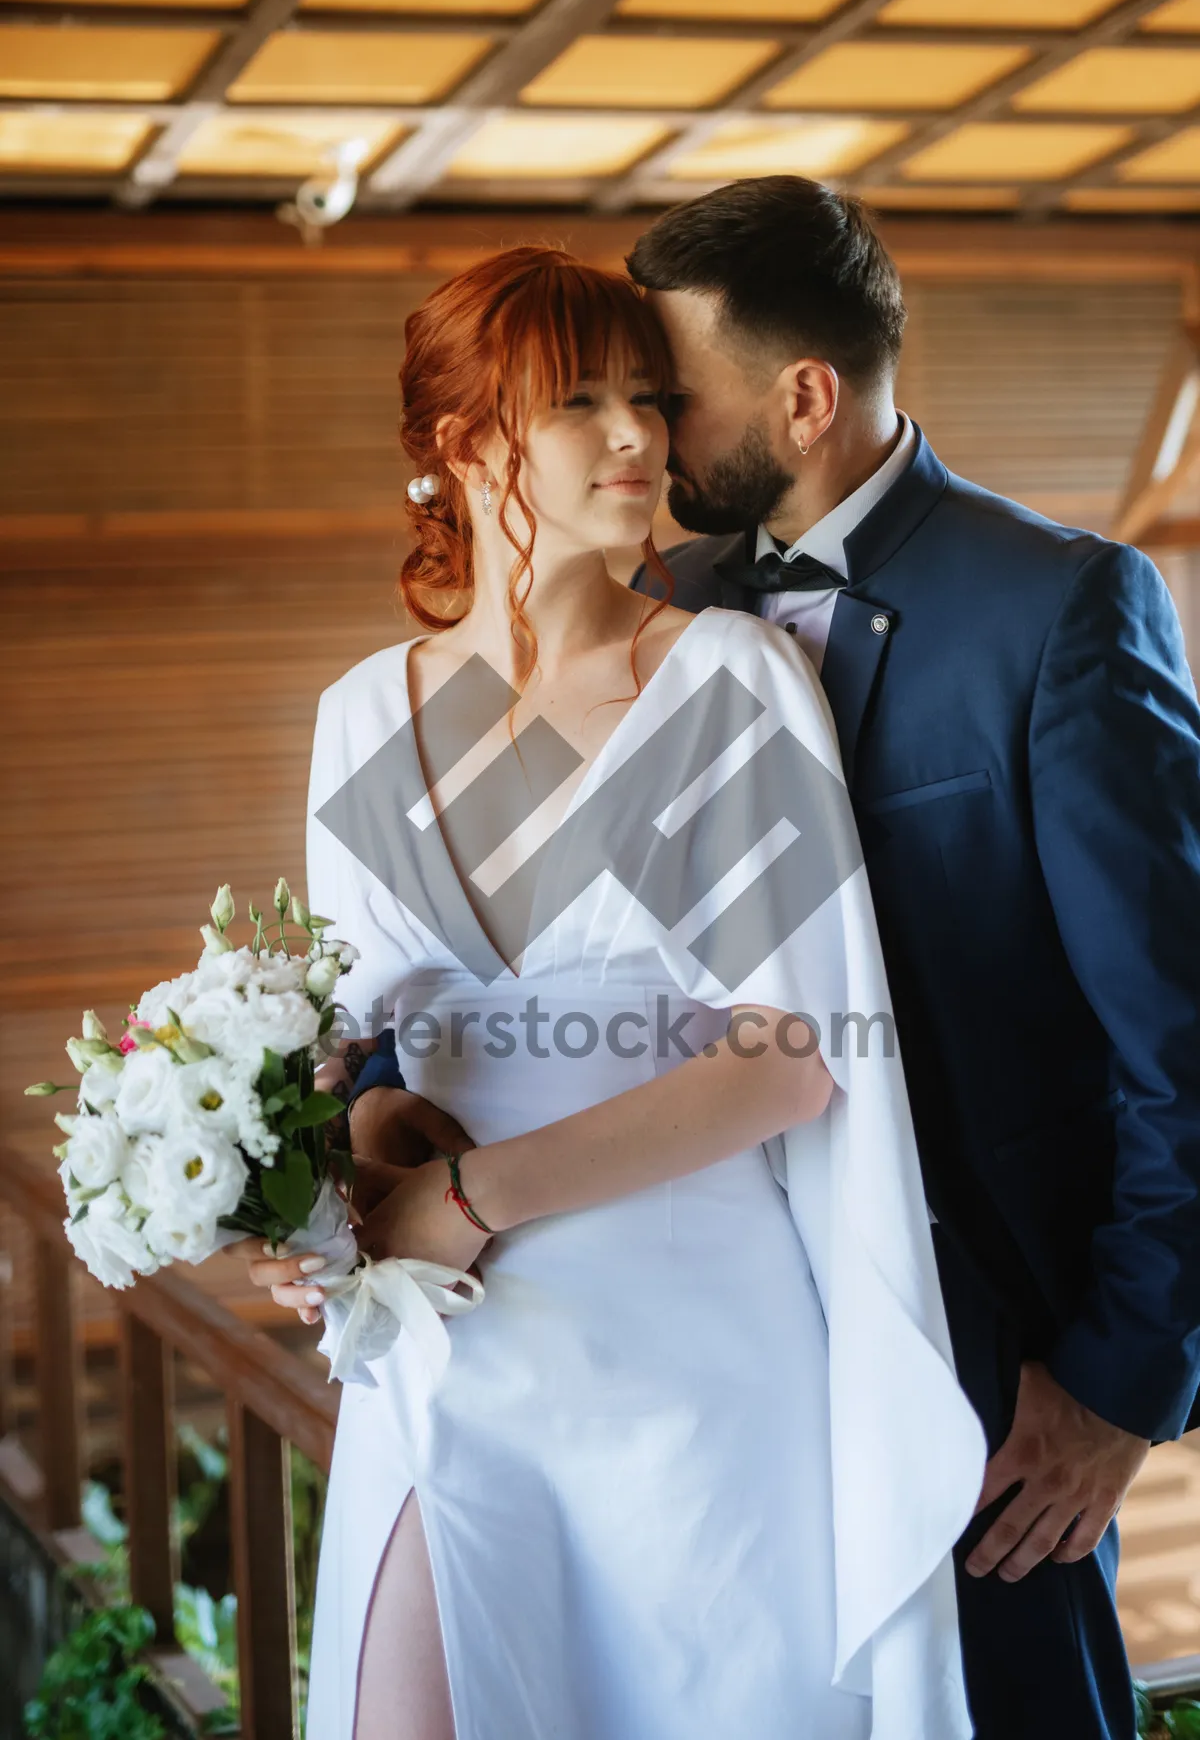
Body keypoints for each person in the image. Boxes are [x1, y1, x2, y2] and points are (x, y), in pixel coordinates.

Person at [239, 243, 985, 1740]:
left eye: (646, 396)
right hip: (446, 1349)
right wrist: (330, 1180)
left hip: (691, 1354)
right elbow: (358, 1042)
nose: (639, 436)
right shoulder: (355, 717)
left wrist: (474, 1195)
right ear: (465, 446)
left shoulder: (725, 683)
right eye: (579, 402)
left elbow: (786, 1063)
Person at [614, 175, 1200, 1738]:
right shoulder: (657, 608)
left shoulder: (1062, 608)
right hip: (720, 1349)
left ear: (802, 396)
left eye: (676, 397)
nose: (651, 440)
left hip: (984, 1379)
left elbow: (1180, 1036)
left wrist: (1123, 1389)